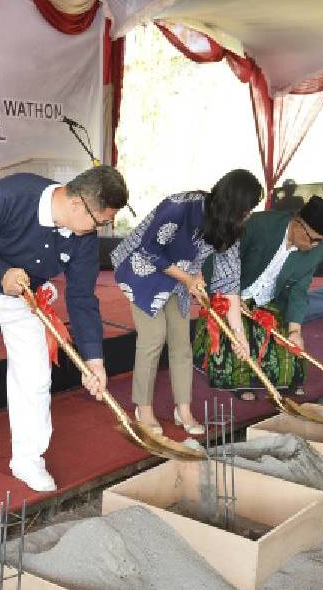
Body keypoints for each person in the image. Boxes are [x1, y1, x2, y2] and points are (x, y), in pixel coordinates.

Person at [0, 166, 127, 491]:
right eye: (101, 221)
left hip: (29, 300)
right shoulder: (13, 194)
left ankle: (27, 460)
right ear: (78, 205)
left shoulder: (83, 238)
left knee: (34, 379)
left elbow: (82, 297)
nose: (100, 229)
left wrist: (95, 360)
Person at [111, 170, 259, 436]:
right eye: (248, 208)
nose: (249, 214)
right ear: (235, 203)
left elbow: (229, 284)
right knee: (153, 338)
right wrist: (188, 278)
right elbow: (149, 250)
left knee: (182, 344)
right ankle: (143, 409)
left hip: (180, 277)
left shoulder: (230, 226)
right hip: (142, 271)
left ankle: (184, 410)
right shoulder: (180, 206)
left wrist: (239, 335)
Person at [193, 196, 323, 399]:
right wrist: (230, 296)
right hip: (230, 293)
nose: (315, 246)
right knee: (239, 343)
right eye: (313, 239)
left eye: (321, 241)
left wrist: (295, 331)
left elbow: (299, 289)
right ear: (297, 224)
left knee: (288, 359)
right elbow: (223, 260)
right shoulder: (259, 225)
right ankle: (241, 382)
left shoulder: (317, 249)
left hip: (267, 302)